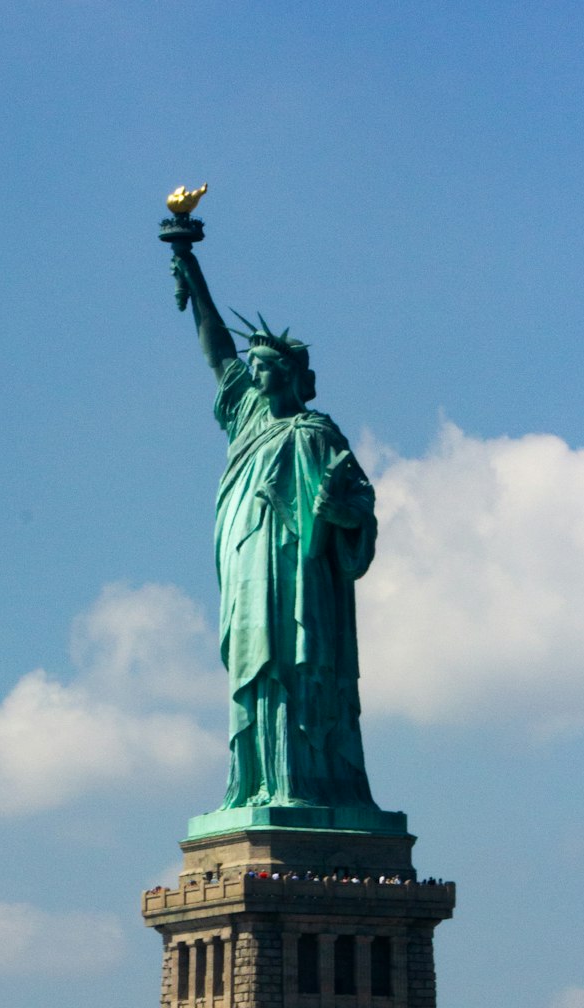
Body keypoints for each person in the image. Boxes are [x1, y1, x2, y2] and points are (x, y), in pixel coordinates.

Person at [170, 244, 378, 813]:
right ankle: (260, 781)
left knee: (299, 663)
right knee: (256, 663)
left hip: (302, 573)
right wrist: (193, 272)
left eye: (263, 366)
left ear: (288, 375)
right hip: (247, 562)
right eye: (252, 366)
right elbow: (217, 353)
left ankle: (307, 782)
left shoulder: (318, 434)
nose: (252, 372)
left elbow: (360, 508)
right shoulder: (247, 416)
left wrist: (338, 512)